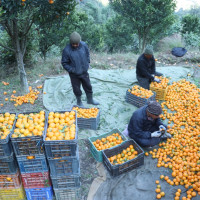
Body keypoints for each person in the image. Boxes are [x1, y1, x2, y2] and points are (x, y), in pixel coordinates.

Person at [61, 32, 99, 107]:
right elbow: (64, 63)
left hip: (84, 72)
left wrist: (87, 63)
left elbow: (87, 54)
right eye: (73, 44)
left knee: (88, 86)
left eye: (77, 44)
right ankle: (79, 101)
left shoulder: (84, 45)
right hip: (74, 74)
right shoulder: (66, 50)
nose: (75, 45)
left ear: (79, 41)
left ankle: (90, 100)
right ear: (71, 43)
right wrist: (72, 70)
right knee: (76, 89)